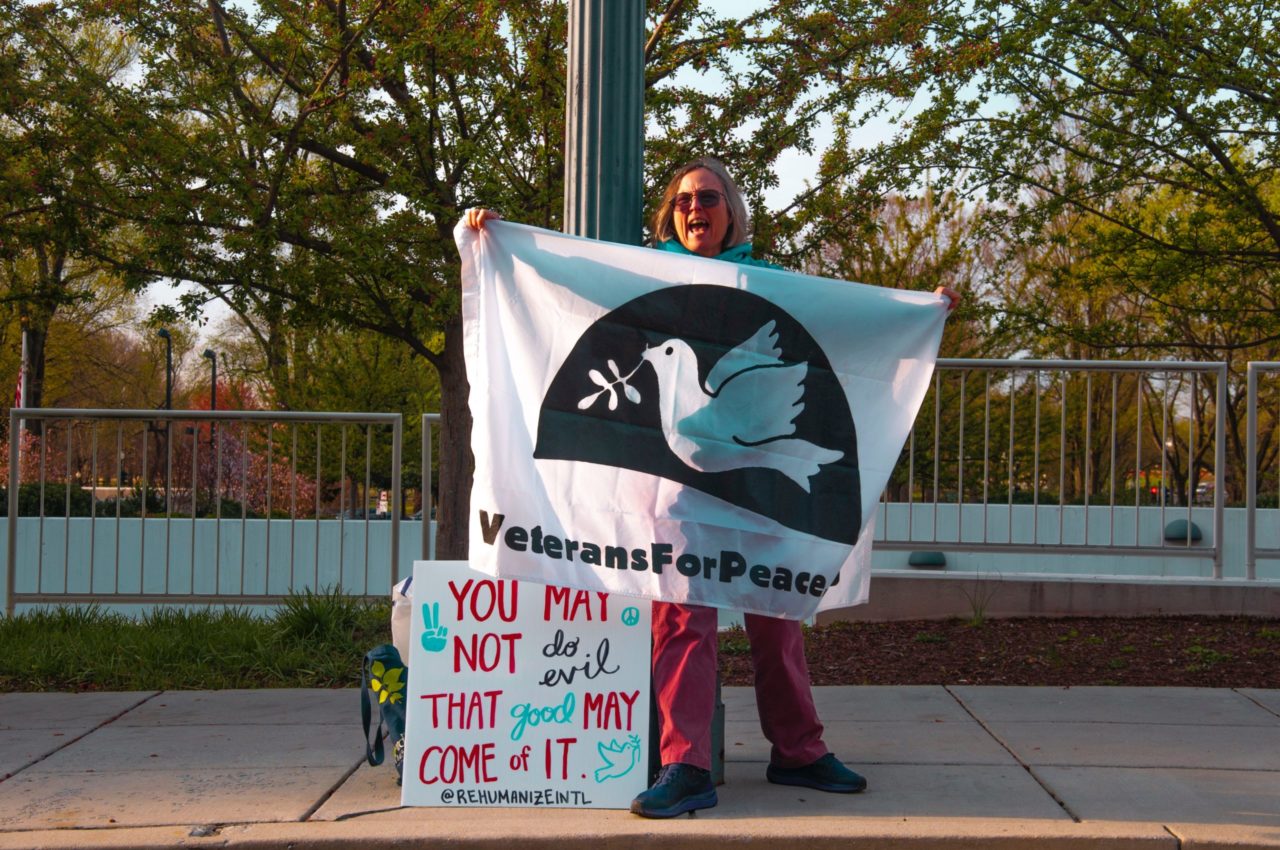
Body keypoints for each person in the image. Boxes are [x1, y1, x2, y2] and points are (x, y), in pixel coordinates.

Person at [465, 157, 960, 819]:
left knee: (777, 616)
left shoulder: (775, 286)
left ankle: (798, 750)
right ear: (669, 215)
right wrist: (496, 239)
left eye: (710, 196)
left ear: (733, 212)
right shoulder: (638, 277)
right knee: (682, 619)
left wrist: (917, 314)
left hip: (760, 493)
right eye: (683, 200)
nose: (696, 208)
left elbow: (845, 336)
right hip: (672, 498)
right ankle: (685, 764)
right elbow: (558, 288)